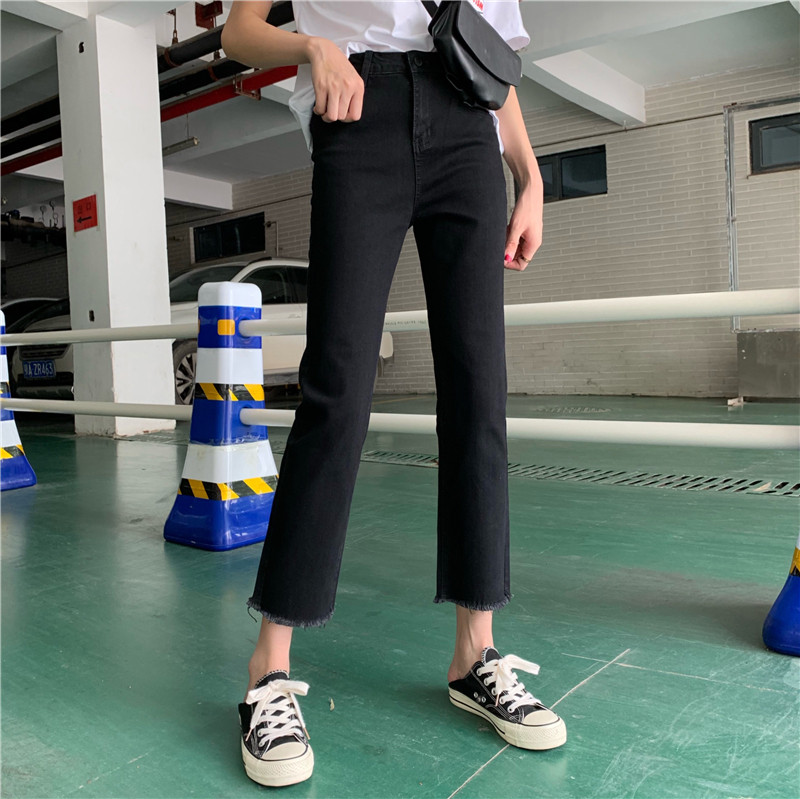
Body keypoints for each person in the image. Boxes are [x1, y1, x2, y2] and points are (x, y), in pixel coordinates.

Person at [221, 0, 566, 787]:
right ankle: (268, 670)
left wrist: (531, 175)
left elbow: (492, 55)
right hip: (359, 114)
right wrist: (313, 47)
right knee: (336, 387)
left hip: (468, 129)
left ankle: (474, 653)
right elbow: (238, 32)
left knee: (479, 390)